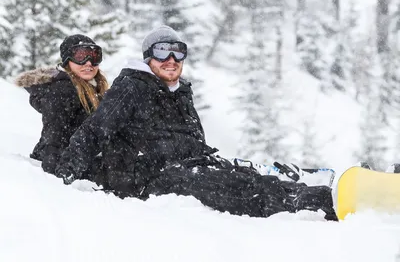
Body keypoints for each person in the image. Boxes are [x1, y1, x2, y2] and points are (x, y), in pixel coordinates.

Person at [56, 25, 337, 220]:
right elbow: (94, 131)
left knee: (242, 175)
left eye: (178, 51)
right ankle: (308, 203)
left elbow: (194, 140)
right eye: (162, 51)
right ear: (148, 58)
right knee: (230, 188)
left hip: (186, 165)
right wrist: (64, 175)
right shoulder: (131, 87)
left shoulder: (180, 92)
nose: (171, 59)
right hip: (150, 178)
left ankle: (321, 190)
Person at [15, 34, 108, 177]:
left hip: (78, 161)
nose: (88, 63)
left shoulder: (93, 88)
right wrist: (57, 178)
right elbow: (54, 137)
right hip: (65, 165)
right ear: (67, 61)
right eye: (80, 56)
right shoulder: (63, 91)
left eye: (94, 56)